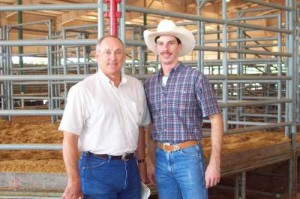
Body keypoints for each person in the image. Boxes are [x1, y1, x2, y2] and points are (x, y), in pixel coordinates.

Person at [59, 35, 150, 199]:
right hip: (97, 168)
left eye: (118, 52)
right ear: (97, 56)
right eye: (107, 52)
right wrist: (73, 180)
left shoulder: (136, 86)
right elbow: (70, 138)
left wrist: (141, 163)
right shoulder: (83, 90)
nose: (113, 58)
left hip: (130, 166)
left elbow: (140, 127)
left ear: (124, 56)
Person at [143, 19, 223, 199]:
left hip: (188, 157)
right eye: (161, 44)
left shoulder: (196, 78)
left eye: (171, 43)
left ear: (179, 46)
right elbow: (150, 125)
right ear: (156, 48)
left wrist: (214, 163)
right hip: (161, 156)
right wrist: (149, 161)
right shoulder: (149, 84)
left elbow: (215, 119)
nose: (165, 48)